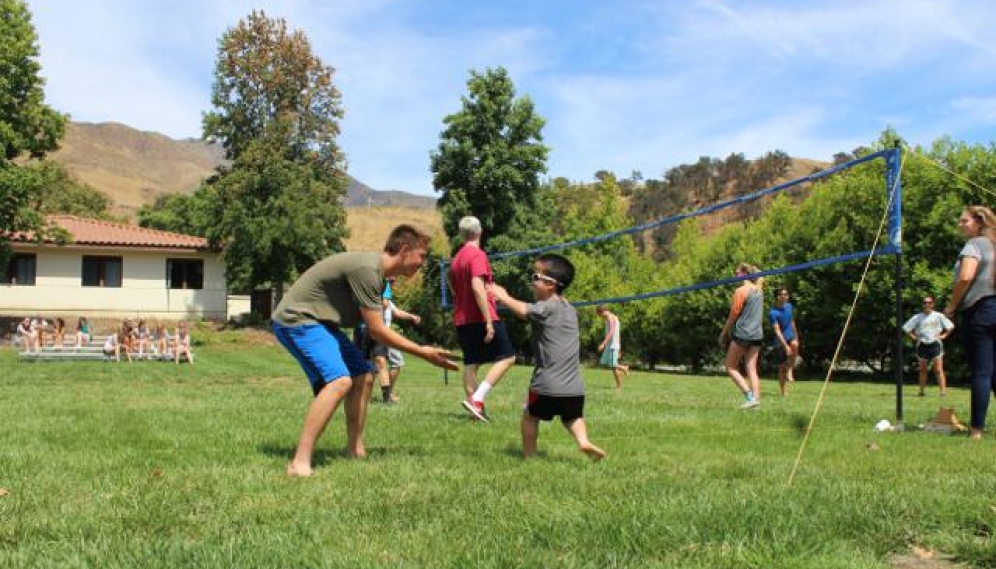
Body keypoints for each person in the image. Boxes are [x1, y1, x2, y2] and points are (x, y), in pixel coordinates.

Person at [271, 224, 457, 477]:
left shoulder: (377, 277)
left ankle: (354, 449)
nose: (422, 264)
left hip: (322, 324)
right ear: (404, 250)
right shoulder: (368, 270)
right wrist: (424, 352)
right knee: (340, 381)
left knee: (364, 375)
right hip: (297, 319)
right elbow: (377, 330)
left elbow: (373, 327)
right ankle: (299, 463)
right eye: (422, 256)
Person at [488, 253, 605, 461]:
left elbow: (525, 311)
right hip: (574, 387)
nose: (531, 282)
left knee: (530, 416)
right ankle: (583, 441)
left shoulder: (547, 307)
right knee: (572, 416)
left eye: (535, 278)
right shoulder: (569, 309)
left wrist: (502, 296)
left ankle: (530, 457)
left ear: (551, 284)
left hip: (546, 384)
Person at [448, 215, 517, 423]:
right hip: (480, 316)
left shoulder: (456, 259)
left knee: (471, 364)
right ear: (480, 232)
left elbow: (451, 283)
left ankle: (475, 412)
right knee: (507, 357)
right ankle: (477, 399)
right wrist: (488, 319)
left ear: (461, 234)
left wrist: (460, 299)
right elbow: (478, 287)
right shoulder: (477, 255)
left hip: (462, 318)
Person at [942, 205, 996, 440]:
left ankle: (976, 431)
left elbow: (966, 276)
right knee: (994, 374)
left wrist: (951, 307)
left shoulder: (975, 244)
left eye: (964, 221)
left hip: (981, 311)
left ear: (978, 222)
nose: (960, 224)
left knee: (982, 373)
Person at [719, 263, 765, 409]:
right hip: (757, 334)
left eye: (737, 273)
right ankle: (756, 403)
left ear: (745, 274)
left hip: (743, 334)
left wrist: (723, 334)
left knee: (730, 367)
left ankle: (750, 397)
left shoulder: (741, 291)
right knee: (751, 368)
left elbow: (733, 316)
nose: (735, 276)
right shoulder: (759, 290)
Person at [372, 277, 421, 404]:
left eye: (392, 283)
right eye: (390, 283)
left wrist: (412, 316)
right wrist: (386, 294)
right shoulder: (379, 298)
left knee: (396, 363)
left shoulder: (388, 300)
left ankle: (388, 393)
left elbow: (396, 312)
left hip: (387, 334)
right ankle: (386, 395)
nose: (392, 285)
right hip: (380, 334)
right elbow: (384, 305)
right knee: (379, 365)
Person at [903, 295, 955, 397]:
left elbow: (951, 326)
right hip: (922, 344)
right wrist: (913, 336)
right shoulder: (917, 317)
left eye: (929, 302)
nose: (927, 304)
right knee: (922, 369)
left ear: (933, 304)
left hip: (935, 344)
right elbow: (906, 328)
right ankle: (921, 392)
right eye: (925, 302)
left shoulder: (938, 316)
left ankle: (943, 392)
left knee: (938, 369)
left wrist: (944, 335)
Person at [769, 287, 800, 396]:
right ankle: (783, 390)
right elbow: (777, 331)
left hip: (790, 335)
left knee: (795, 344)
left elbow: (792, 322)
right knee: (781, 367)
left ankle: (790, 369)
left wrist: (796, 336)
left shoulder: (789, 306)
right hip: (780, 340)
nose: (786, 296)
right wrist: (785, 346)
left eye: (787, 294)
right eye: (784, 294)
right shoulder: (773, 313)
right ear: (778, 297)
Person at [595, 305, 629, 388]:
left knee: (613, 365)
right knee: (611, 365)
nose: (600, 317)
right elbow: (617, 333)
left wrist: (603, 343)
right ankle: (619, 384)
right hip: (612, 345)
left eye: (599, 314)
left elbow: (611, 331)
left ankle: (624, 369)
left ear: (602, 312)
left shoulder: (610, 317)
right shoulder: (611, 317)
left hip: (613, 345)